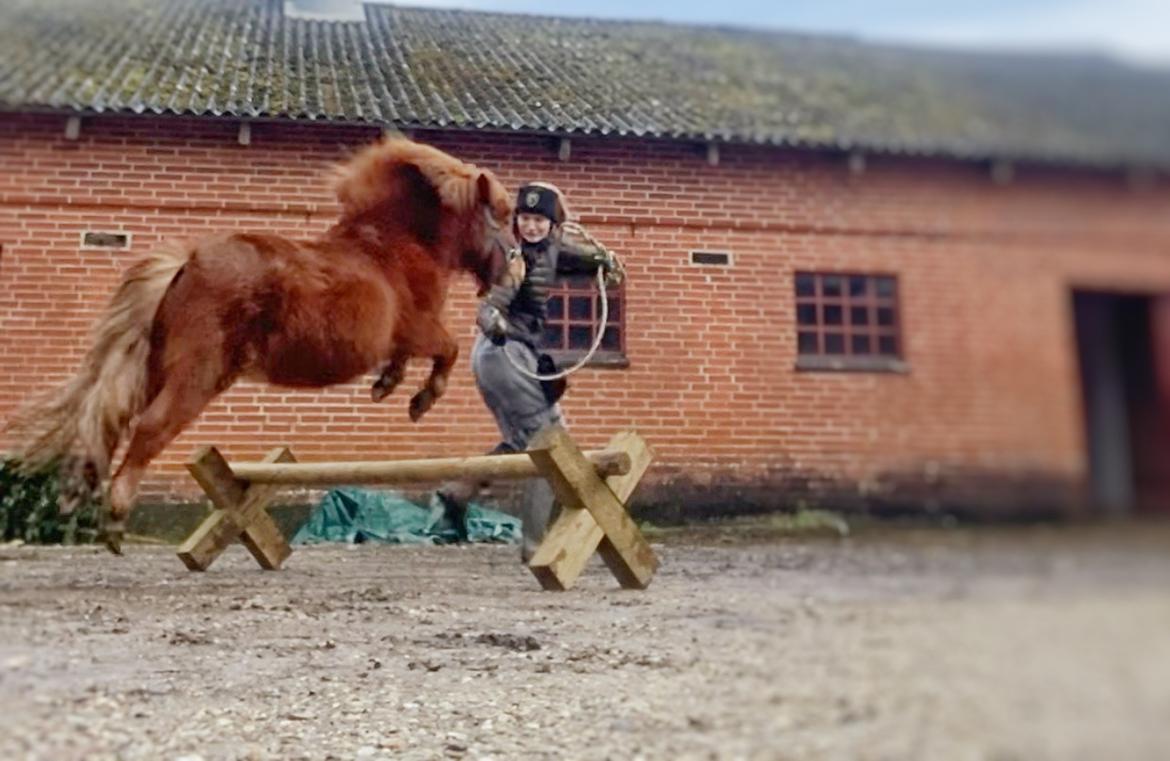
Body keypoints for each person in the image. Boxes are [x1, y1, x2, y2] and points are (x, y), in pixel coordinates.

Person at [437, 181, 623, 561]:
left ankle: (457, 491)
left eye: (539, 219)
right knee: (549, 446)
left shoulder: (553, 248)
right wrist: (493, 322)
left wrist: (605, 262)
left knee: (525, 443)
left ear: (552, 223)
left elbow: (589, 260)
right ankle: (534, 545)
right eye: (525, 218)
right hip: (504, 353)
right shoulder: (516, 260)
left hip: (510, 357)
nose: (531, 226)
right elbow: (491, 306)